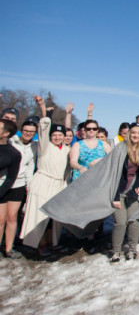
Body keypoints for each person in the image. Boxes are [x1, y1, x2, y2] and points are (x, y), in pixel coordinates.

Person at [42, 122, 139, 263]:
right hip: (118, 191)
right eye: (133, 132)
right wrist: (114, 196)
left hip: (135, 192)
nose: (136, 136)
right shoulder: (120, 148)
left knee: (134, 221)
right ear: (128, 134)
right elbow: (111, 170)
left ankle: (132, 250)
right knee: (120, 222)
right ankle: (116, 251)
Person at [20, 99, 72, 255]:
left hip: (58, 184)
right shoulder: (45, 146)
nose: (57, 137)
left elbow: (68, 130)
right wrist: (43, 108)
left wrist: (68, 115)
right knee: (38, 215)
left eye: (60, 135)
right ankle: (38, 244)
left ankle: (52, 243)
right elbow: (43, 128)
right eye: (54, 135)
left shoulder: (67, 149)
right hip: (43, 182)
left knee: (53, 218)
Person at [0, 118, 22, 258]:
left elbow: (10, 178)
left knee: (5, 219)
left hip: (4, 188)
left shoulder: (13, 153)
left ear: (5, 134)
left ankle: (8, 249)